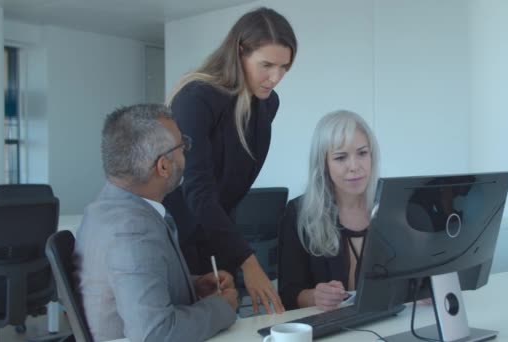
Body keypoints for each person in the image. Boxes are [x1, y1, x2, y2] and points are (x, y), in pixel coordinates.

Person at [162, 7, 297, 314]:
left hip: (218, 234)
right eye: (267, 65)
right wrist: (248, 261)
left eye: (284, 68)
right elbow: (198, 191)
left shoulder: (267, 104)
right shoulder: (196, 98)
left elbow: (230, 190)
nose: (275, 78)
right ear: (239, 52)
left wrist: (235, 255)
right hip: (179, 237)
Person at [74, 104, 238, 342]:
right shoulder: (132, 231)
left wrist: (194, 285)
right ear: (163, 166)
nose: (186, 154)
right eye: (183, 146)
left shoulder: (105, 208)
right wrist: (222, 308)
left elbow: (131, 283)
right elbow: (156, 334)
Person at [278, 110, 380, 311]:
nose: (354, 166)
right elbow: (288, 294)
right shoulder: (299, 213)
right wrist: (315, 297)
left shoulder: (391, 208)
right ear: (323, 164)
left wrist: (423, 289)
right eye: (341, 157)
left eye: (362, 153)